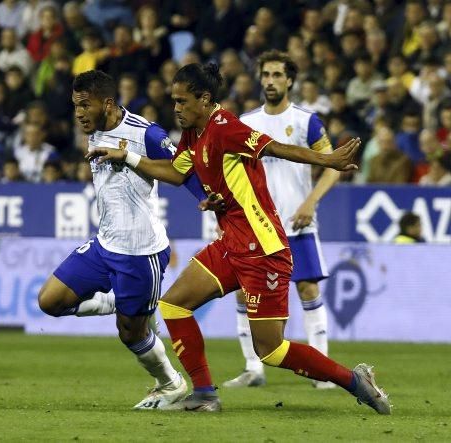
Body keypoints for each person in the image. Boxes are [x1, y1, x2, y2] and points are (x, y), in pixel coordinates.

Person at [87, 63, 391, 415]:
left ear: (204, 99)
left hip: (263, 249)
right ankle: (204, 393)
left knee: (272, 351)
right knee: (173, 305)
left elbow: (275, 148)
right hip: (232, 243)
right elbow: (174, 171)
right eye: (174, 101)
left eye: (182, 101)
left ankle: (354, 381)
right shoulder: (193, 131)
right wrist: (127, 156)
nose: (176, 108)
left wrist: (326, 159)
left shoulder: (225, 127)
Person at [37, 70, 212, 411]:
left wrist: (209, 199)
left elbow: (182, 170)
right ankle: (113, 302)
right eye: (75, 106)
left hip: (140, 252)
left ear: (108, 103)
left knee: (131, 333)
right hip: (104, 245)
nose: (78, 113)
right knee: (49, 301)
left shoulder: (146, 133)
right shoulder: (94, 129)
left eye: (84, 105)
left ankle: (170, 383)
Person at [224, 50, 340, 390]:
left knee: (307, 288)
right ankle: (252, 369)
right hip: (255, 226)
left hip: (296, 222)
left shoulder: (306, 122)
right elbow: (231, 169)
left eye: (277, 75)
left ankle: (323, 371)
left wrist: (310, 202)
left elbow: (333, 165)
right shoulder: (245, 122)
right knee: (244, 294)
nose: (271, 81)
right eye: (266, 75)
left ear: (290, 80)